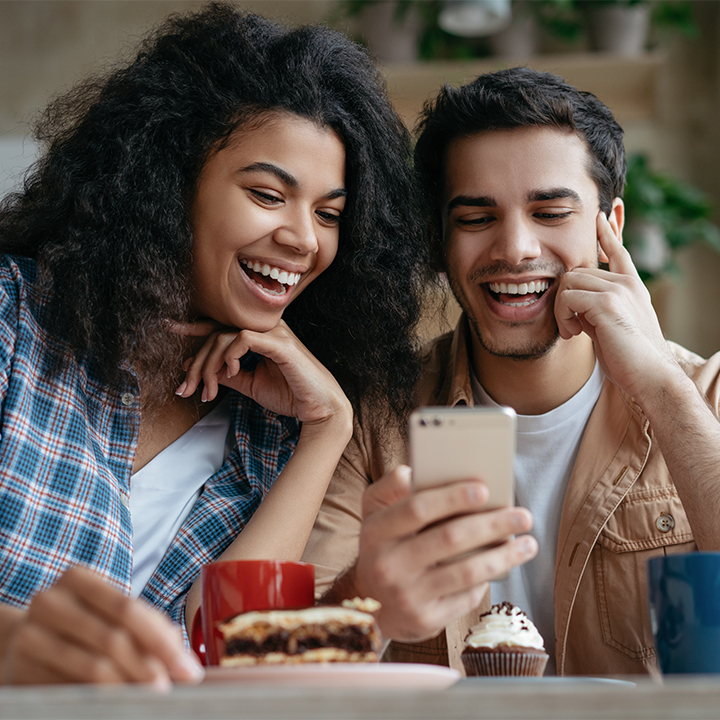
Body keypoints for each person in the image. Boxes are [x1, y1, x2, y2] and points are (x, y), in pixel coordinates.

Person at [0, 3, 428, 685]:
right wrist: (14, 646)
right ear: (170, 182)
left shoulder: (273, 435)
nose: (304, 238)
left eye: (329, 214)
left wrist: (328, 428)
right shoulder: (13, 322)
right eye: (267, 194)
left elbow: (230, 660)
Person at [302, 67, 720, 677]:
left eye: (551, 212)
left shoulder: (705, 396)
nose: (516, 248)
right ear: (440, 243)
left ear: (612, 230)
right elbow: (292, 666)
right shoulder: (372, 417)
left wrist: (660, 386)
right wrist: (367, 603)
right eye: (475, 218)